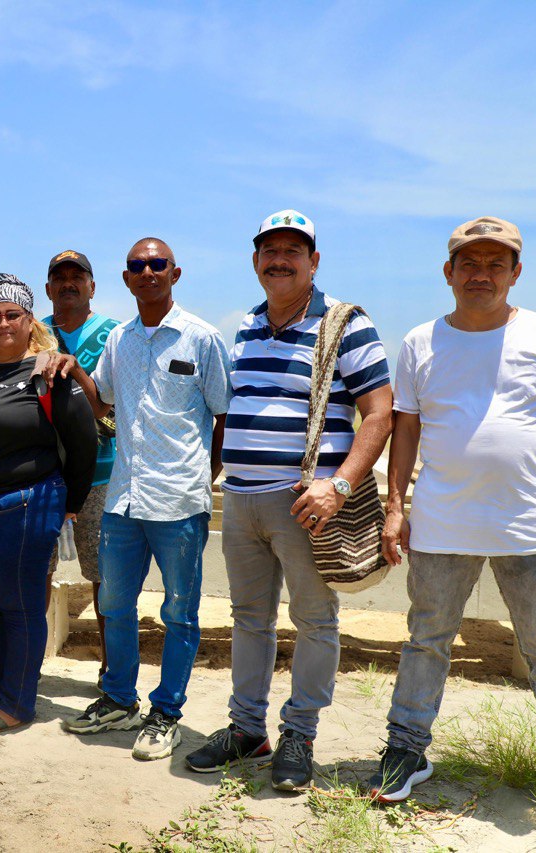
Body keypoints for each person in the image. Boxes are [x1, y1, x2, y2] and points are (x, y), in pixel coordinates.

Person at [372, 217, 536, 850]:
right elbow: (405, 429)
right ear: (448, 272)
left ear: (516, 272)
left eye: (496, 263)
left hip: (533, 526)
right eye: (469, 262)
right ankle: (406, 752)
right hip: (440, 523)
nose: (481, 273)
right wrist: (394, 507)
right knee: (426, 641)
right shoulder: (420, 341)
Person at [184, 211, 392, 792]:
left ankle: (299, 734)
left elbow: (379, 412)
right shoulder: (247, 325)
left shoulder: (343, 323)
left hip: (306, 502)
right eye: (269, 250)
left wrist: (341, 484)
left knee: (314, 621)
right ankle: (247, 729)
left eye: (292, 251)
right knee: (249, 620)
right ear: (255, 261)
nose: (280, 259)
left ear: (314, 262)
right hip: (242, 501)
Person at [63, 239, 230, 763]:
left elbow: (224, 414)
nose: (149, 272)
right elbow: (107, 407)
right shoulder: (120, 340)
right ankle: (118, 698)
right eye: (138, 266)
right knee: (114, 606)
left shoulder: (202, 338)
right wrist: (75, 373)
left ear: (174, 273)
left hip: (179, 502)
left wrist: (206, 474)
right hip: (123, 500)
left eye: (158, 265)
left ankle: (167, 714)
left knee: (179, 612)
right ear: (126, 277)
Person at [0, 273, 97, 734]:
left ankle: (17, 702)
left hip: (23, 507)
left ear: (30, 320)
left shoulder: (47, 373)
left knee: (19, 606)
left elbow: (83, 439)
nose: (3, 323)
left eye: (12, 315)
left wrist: (71, 503)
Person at [42, 249, 120, 683]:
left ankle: (112, 675)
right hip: (43, 475)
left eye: (78, 276)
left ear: (92, 286)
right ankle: (25, 667)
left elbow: (111, 404)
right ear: (48, 288)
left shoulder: (115, 333)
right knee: (37, 570)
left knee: (106, 579)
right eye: (60, 277)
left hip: (102, 473)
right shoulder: (34, 332)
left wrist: (75, 373)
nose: (69, 283)